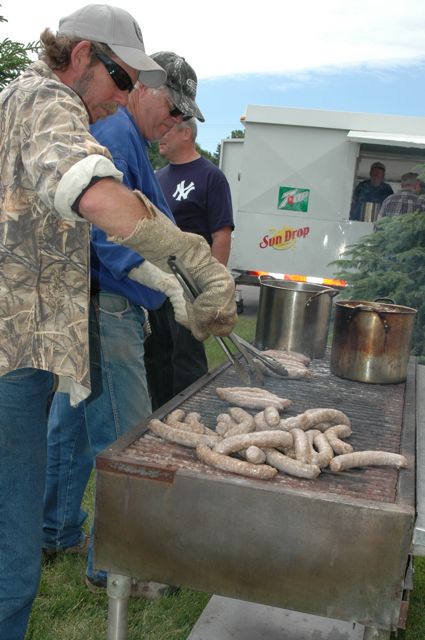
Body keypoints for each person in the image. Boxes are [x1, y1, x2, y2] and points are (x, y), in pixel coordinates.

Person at [0, 5, 236, 637]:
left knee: (11, 555)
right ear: (82, 57)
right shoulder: (45, 97)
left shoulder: (46, 104)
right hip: (6, 369)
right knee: (9, 570)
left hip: (23, 362)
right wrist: (191, 258)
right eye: (123, 79)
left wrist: (166, 284)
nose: (129, 95)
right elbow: (91, 188)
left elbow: (88, 236)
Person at [42, 50, 204, 598]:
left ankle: (56, 531)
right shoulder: (113, 129)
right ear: (144, 87)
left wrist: (193, 276)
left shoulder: (126, 134)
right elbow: (104, 234)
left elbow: (158, 218)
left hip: (87, 306)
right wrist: (166, 287)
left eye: (184, 116)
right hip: (107, 307)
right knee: (125, 437)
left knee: (71, 427)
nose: (176, 122)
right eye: (174, 108)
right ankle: (112, 569)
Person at [146, 111, 234, 406]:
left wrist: (211, 289)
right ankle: (157, 417)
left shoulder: (211, 177)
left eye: (168, 130)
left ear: (187, 133)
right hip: (156, 285)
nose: (161, 135)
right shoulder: (157, 177)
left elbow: (221, 235)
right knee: (156, 358)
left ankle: (191, 415)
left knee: (186, 362)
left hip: (189, 287)